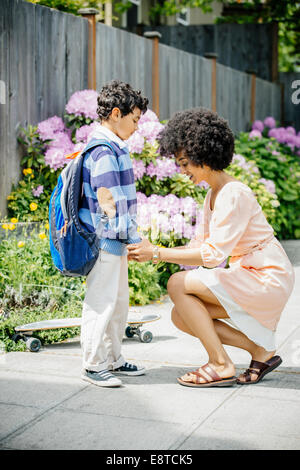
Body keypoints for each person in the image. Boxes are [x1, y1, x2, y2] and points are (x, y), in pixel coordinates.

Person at [127, 108, 295, 388]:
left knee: (176, 283)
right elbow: (199, 247)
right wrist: (147, 250)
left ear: (204, 155)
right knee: (182, 316)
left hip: (267, 277)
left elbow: (212, 256)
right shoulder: (213, 193)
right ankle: (259, 351)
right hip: (251, 274)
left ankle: (220, 363)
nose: (182, 171)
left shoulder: (233, 193)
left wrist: (156, 252)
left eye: (185, 163)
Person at [79, 80, 149, 387]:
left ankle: (113, 359)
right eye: (134, 120)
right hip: (106, 241)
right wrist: (132, 236)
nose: (136, 127)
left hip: (116, 241)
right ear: (116, 114)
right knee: (102, 301)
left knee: (119, 302)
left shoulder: (114, 147)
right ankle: (93, 364)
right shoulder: (104, 150)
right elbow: (108, 203)